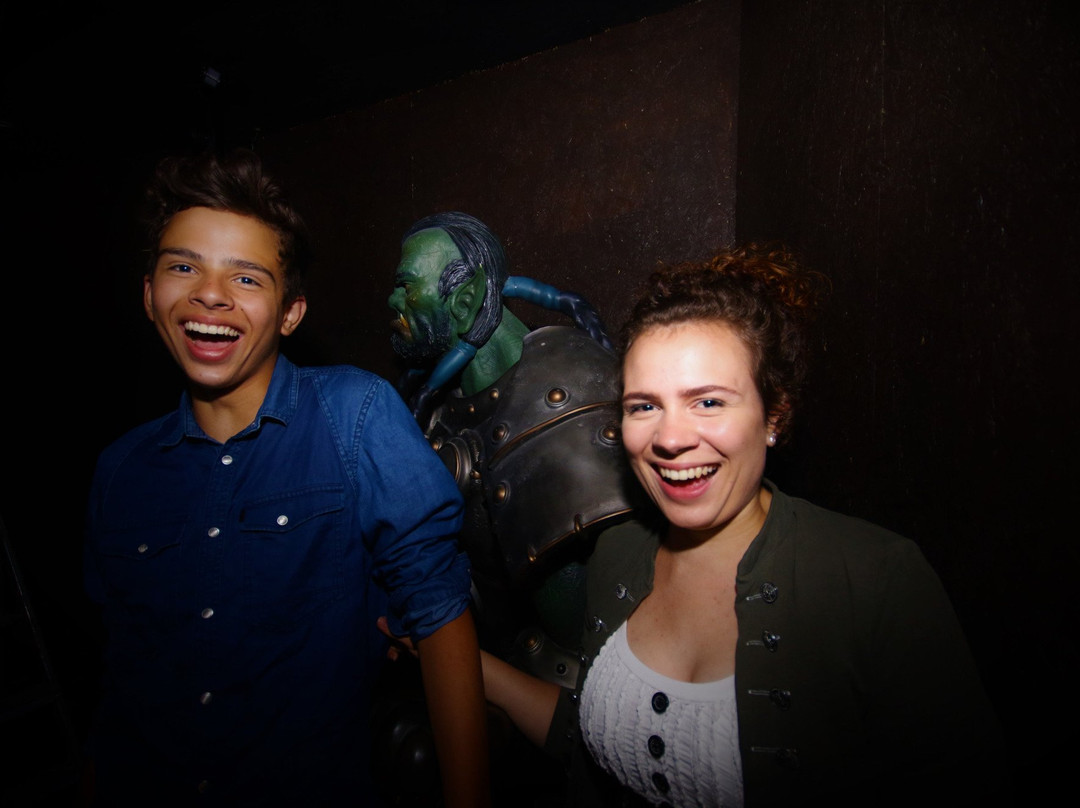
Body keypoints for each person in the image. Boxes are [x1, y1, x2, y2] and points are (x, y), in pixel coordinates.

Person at [389, 243, 1009, 806]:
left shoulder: (877, 581)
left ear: (774, 414)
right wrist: (452, 656)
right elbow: (593, 736)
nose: (671, 438)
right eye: (644, 406)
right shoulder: (616, 553)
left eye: (708, 401)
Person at [82, 149, 490, 808]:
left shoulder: (356, 415)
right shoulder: (120, 470)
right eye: (183, 267)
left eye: (246, 277)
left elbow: (439, 615)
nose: (210, 293)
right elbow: (118, 674)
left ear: (291, 312)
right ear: (150, 294)